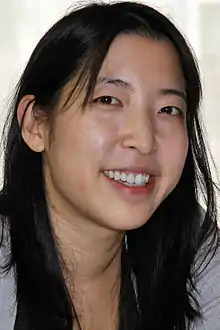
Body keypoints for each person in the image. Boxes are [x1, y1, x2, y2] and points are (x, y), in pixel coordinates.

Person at [0, 1, 219, 329]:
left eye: (169, 109)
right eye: (108, 101)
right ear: (35, 124)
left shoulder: (191, 250)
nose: (144, 140)